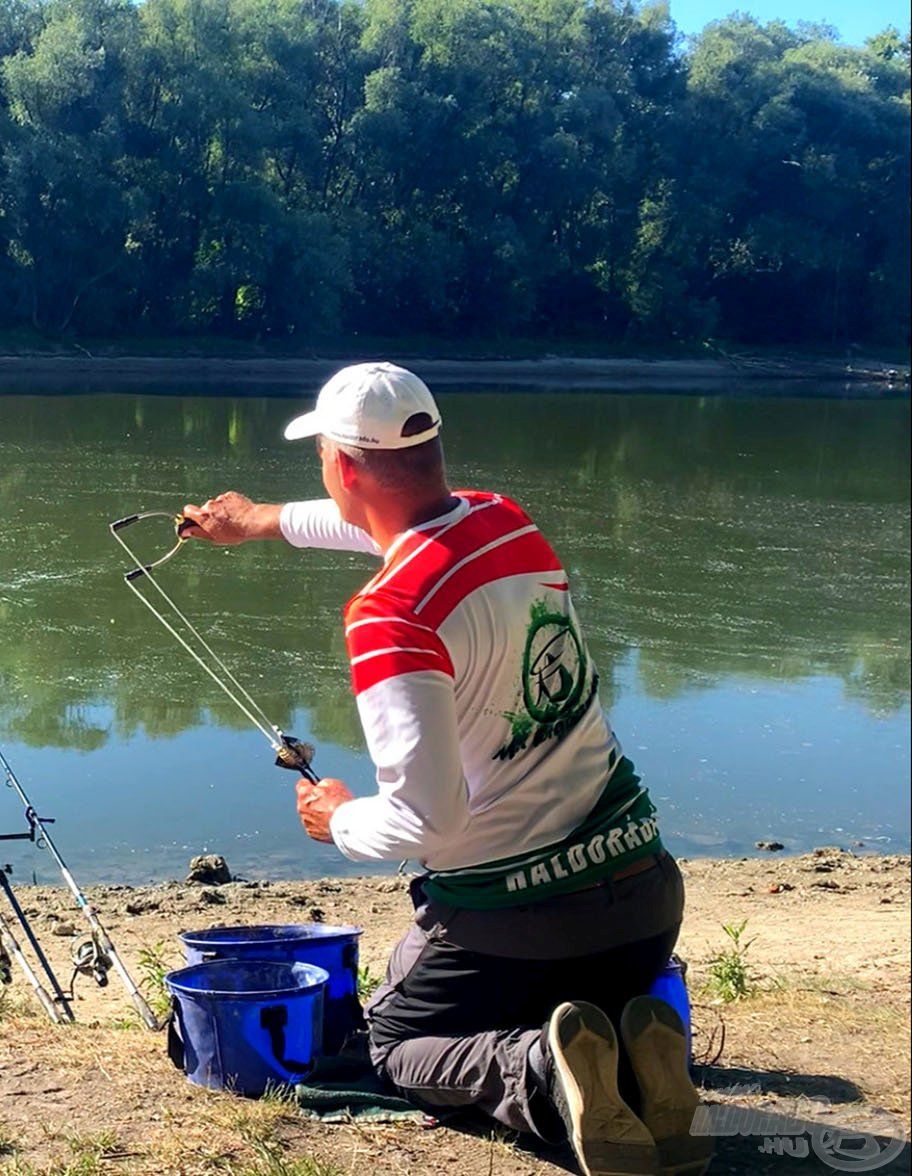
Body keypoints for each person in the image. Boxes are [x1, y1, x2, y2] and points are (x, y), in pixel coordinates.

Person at [179, 363, 711, 1176]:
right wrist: (256, 521)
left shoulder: (391, 616)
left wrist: (338, 819)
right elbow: (386, 529)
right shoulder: (505, 522)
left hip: (518, 925)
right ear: (428, 447)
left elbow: (431, 822)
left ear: (344, 466)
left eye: (322, 451)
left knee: (393, 1042)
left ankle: (540, 1077)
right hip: (644, 902)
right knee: (545, 997)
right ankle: (637, 1059)